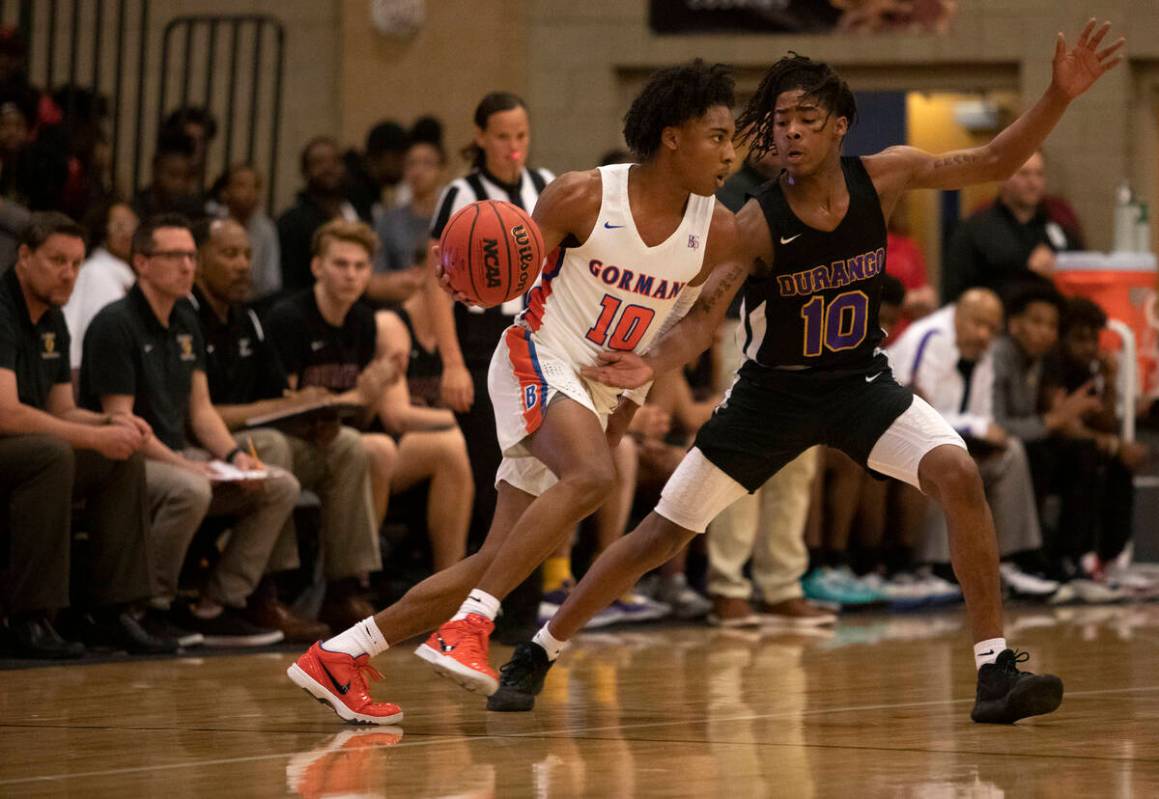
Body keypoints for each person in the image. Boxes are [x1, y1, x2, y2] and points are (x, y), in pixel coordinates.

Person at [503, 23, 1123, 723]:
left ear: (839, 127)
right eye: (778, 122)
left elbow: (994, 157)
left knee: (957, 472)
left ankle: (992, 670)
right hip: (772, 394)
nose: (788, 133)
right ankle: (539, 649)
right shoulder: (753, 222)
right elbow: (705, 319)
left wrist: (1057, 95)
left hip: (859, 383)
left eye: (804, 119)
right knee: (659, 534)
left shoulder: (885, 174)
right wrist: (651, 359)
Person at [286, 60, 741, 724]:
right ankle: (469, 628)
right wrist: (465, 282)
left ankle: (340, 654)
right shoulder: (581, 196)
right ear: (672, 136)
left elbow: (696, 322)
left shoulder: (718, 230)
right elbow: (499, 268)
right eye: (718, 135)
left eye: (733, 139)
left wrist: (647, 374)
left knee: (498, 555)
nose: (730, 153)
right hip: (537, 351)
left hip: (603, 387)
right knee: (591, 475)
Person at [80, 213, 299, 646]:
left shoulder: (184, 318)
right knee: (189, 488)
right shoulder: (116, 323)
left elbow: (201, 412)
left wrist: (235, 459)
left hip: (176, 452)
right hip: (123, 458)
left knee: (278, 484)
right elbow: (120, 424)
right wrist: (186, 465)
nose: (187, 266)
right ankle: (148, 605)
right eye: (174, 256)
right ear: (141, 262)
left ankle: (216, 604)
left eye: (191, 256)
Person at [189, 216, 382, 640]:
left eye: (246, 255)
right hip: (202, 446)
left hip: (258, 438)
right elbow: (199, 415)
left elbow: (282, 396)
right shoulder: (190, 319)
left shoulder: (247, 319)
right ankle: (266, 593)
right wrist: (286, 406)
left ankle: (343, 587)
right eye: (229, 254)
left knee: (349, 445)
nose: (243, 265)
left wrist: (316, 417)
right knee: (271, 445)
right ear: (198, 261)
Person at [0, 212, 173, 657]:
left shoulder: (53, 319)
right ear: (23, 256)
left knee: (121, 455)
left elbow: (63, 409)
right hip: (15, 444)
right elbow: (6, 413)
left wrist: (109, 423)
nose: (69, 274)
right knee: (53, 455)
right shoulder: (3, 309)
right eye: (57, 260)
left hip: (26, 446)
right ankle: (29, 617)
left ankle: (113, 611)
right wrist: (92, 437)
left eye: (76, 263)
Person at [423, 91, 557, 637]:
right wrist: (451, 362)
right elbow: (433, 284)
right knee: (490, 479)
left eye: (521, 135)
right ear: (481, 138)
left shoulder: (546, 186)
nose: (513, 146)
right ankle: (477, 606)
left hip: (533, 339)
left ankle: (522, 612)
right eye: (503, 136)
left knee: (537, 478)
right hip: (478, 341)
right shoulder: (459, 193)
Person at [887, 288, 1058, 599]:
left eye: (992, 328)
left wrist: (980, 431)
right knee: (945, 460)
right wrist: (975, 427)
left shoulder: (984, 352)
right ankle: (935, 565)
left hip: (952, 435)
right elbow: (912, 408)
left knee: (1011, 453)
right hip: (899, 435)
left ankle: (1006, 560)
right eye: (977, 324)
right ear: (957, 316)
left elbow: (984, 416)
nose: (984, 335)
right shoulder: (927, 339)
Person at [943, 151, 1080, 303]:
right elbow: (956, 292)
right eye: (1024, 174)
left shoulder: (1058, 226)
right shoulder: (975, 231)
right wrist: (1024, 270)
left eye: (1039, 174)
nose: (1033, 183)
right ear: (1002, 178)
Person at [62, 200, 139, 372]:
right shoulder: (97, 273)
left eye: (132, 226)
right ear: (103, 231)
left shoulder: (128, 274)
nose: (127, 234)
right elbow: (106, 340)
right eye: (118, 227)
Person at [368, 137, 446, 307]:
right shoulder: (388, 220)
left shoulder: (454, 218)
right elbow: (371, 283)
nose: (418, 171)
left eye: (427, 163)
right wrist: (410, 280)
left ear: (441, 170)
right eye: (411, 164)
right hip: (403, 310)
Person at [277, 137, 360, 295]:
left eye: (335, 162)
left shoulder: (359, 213)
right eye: (319, 162)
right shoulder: (292, 221)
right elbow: (290, 282)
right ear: (305, 171)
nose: (329, 168)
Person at [210, 163, 281, 306]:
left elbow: (271, 283)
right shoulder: (212, 225)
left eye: (255, 187)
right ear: (225, 192)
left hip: (256, 304)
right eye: (241, 185)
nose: (249, 193)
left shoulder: (266, 229)